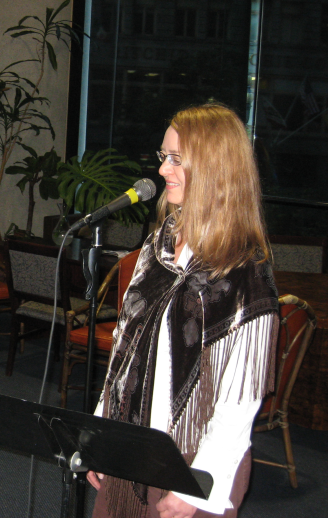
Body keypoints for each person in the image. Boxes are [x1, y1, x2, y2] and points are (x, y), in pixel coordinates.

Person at [87, 103, 279, 518]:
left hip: (193, 460)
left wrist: (197, 486)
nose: (162, 170)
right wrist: (102, 433)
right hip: (133, 443)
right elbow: (125, 347)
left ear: (214, 168)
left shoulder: (244, 272)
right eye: (163, 156)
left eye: (176, 159)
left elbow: (239, 400)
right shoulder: (157, 248)